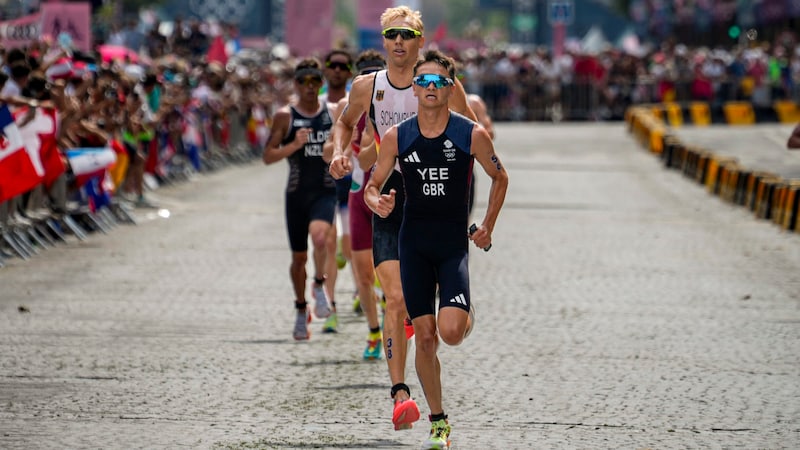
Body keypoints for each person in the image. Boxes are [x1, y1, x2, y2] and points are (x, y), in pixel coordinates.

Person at [327, 5, 478, 435]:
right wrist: (341, 153)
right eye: (391, 34)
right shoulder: (367, 86)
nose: (397, 42)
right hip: (388, 200)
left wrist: (464, 210)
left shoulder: (444, 85)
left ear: (419, 40)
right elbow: (344, 122)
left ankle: (459, 315)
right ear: (383, 40)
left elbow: (472, 140)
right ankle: (400, 397)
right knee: (394, 299)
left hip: (432, 204)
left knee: (434, 326)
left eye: (406, 35)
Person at [364, 49, 509, 450]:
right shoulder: (397, 136)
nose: (430, 88)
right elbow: (372, 185)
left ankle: (463, 314)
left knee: (451, 333)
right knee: (425, 337)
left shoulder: (470, 133)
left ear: (450, 88)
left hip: (451, 245)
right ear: (414, 88)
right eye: (423, 81)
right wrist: (377, 201)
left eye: (438, 82)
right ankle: (439, 422)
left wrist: (488, 227)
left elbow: (500, 177)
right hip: (413, 243)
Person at [263, 58, 336, 340]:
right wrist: (294, 145)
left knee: (320, 238)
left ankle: (319, 285)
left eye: (315, 81)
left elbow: (344, 145)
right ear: (296, 83)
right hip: (296, 194)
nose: (309, 87)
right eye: (303, 81)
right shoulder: (285, 116)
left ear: (321, 83)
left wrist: (334, 149)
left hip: (325, 189)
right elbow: (268, 156)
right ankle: (300, 308)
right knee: (298, 258)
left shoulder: (331, 112)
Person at [327, 49, 387, 358]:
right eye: (365, 75)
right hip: (358, 192)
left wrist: (375, 135)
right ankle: (375, 332)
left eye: (376, 74)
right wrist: (337, 153)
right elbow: (333, 148)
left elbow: (368, 154)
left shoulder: (398, 103)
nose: (371, 81)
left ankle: (394, 319)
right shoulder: (345, 106)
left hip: (388, 192)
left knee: (392, 272)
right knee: (363, 272)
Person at [319, 49, 354, 333]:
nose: (338, 70)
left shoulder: (357, 101)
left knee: (352, 248)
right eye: (333, 65)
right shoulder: (316, 103)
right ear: (326, 70)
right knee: (329, 246)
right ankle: (330, 307)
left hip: (353, 184)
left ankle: (361, 292)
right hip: (324, 185)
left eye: (344, 66)